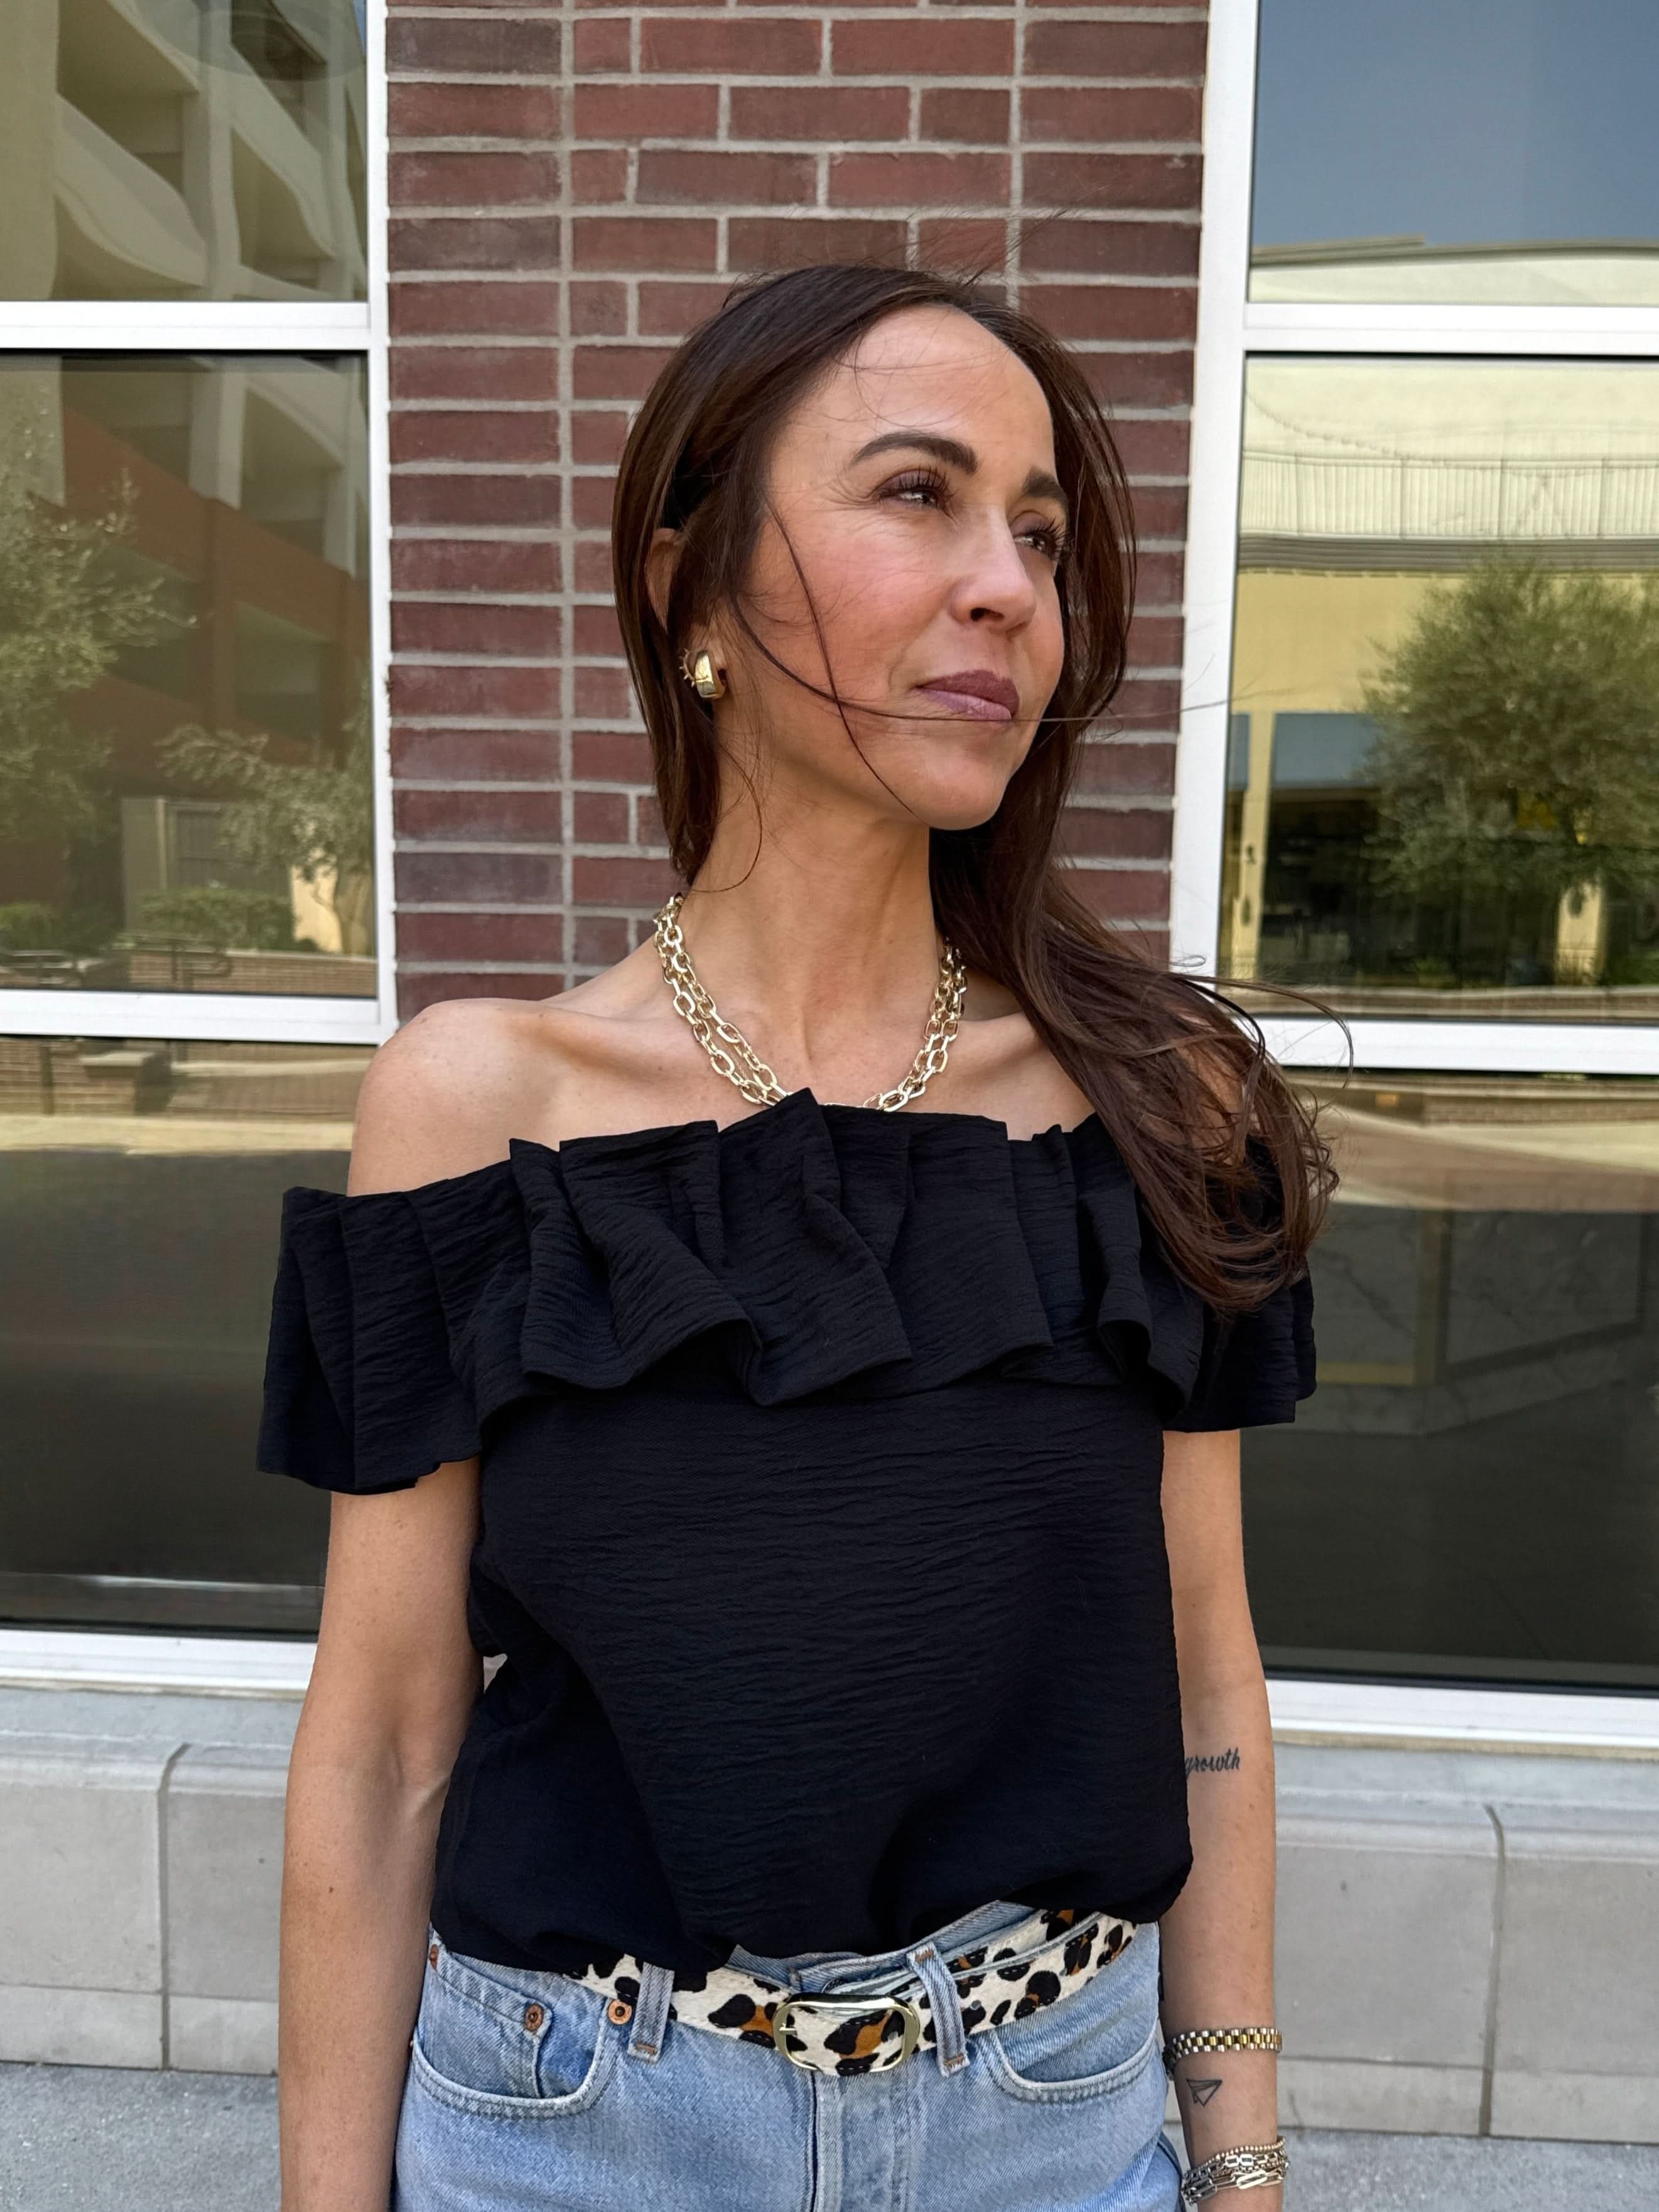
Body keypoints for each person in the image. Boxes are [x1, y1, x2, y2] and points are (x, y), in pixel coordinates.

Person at [264, 262, 1329, 2212]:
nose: (1006, 587)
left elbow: (1205, 1688)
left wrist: (1242, 2165)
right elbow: (385, 1732)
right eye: (918, 493)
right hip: (580, 2131)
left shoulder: (1154, 1105)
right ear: (691, 591)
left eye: (1038, 533)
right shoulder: (473, 1103)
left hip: (1046, 2127)